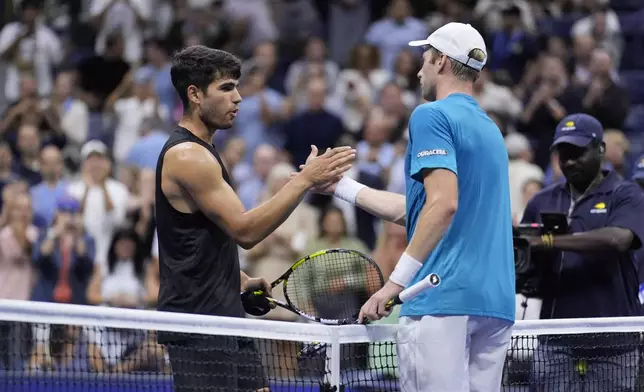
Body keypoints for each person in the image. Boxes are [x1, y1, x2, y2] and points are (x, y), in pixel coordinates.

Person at [306, 23, 515, 392]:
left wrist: (393, 285)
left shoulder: (430, 115)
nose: (419, 70)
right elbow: (423, 209)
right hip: (494, 304)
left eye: (424, 59)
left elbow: (443, 206)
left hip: (440, 298)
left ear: (441, 62)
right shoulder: (490, 129)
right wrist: (342, 187)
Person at [155, 45, 355, 392]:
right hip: (199, 323)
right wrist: (306, 180)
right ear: (195, 94)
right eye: (227, 88)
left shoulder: (205, 150)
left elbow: (195, 238)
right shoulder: (188, 156)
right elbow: (245, 231)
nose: (239, 98)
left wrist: (238, 278)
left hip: (225, 313)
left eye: (237, 87)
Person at [519, 113, 644, 391]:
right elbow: (526, 258)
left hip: (614, 338)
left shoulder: (625, 194)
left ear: (600, 149)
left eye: (578, 152)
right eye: (564, 154)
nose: (570, 161)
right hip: (554, 337)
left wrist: (550, 242)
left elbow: (618, 239)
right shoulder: (542, 200)